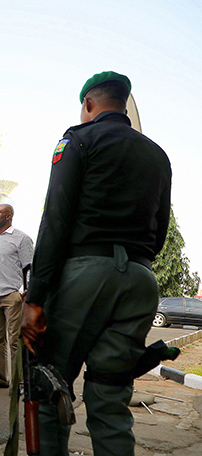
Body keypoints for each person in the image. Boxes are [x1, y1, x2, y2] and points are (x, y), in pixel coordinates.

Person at [21, 71, 171, 456]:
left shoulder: (77, 138)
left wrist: (35, 298)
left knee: (50, 385)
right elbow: (160, 232)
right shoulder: (157, 154)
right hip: (140, 279)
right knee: (110, 396)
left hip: (85, 274)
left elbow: (56, 218)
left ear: (88, 104)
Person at [0, 204, 33, 389]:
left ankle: (19, 381)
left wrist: (23, 292)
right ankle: (1, 378)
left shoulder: (21, 238)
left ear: (9, 216)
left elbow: (29, 268)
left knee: (14, 340)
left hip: (12, 296)